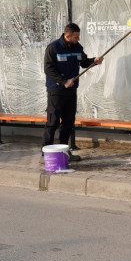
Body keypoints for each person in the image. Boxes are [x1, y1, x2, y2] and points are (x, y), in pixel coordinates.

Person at [43, 23, 103, 161]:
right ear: (67, 36)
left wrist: (94, 61)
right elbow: (48, 69)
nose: (78, 38)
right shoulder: (53, 48)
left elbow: (83, 62)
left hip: (71, 91)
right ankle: (46, 152)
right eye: (76, 36)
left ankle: (64, 152)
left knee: (68, 122)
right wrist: (64, 81)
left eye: (79, 36)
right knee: (53, 122)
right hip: (56, 91)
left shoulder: (77, 47)